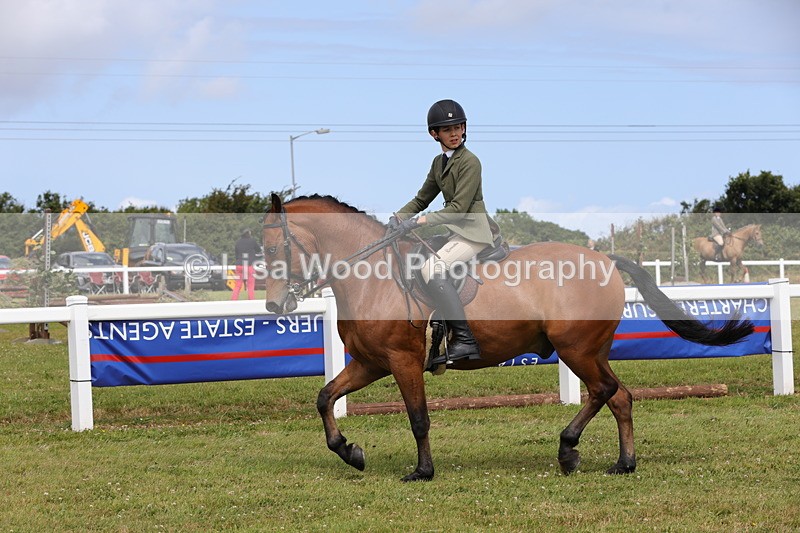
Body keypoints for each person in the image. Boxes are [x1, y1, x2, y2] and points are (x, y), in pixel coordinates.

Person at [390, 99, 495, 363]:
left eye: (458, 127)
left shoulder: (470, 162)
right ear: (434, 134)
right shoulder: (439, 163)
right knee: (415, 258)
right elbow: (421, 199)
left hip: (473, 233)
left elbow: (459, 208)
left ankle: (464, 340)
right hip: (455, 233)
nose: (455, 133)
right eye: (448, 129)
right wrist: (398, 218)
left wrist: (419, 222)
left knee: (432, 270)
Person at [231, 228, 262, 300]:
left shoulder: (238, 242)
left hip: (239, 265)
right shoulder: (252, 241)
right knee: (250, 285)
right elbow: (259, 250)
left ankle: (233, 300)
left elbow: (236, 254)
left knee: (237, 285)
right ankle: (251, 300)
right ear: (249, 233)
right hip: (249, 265)